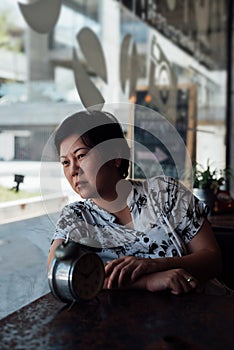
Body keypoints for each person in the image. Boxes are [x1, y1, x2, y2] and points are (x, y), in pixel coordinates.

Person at [48, 109, 222, 295]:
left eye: (81, 156)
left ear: (114, 155)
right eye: (65, 162)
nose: (73, 170)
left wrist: (154, 265)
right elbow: (57, 274)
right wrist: (148, 281)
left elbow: (213, 259)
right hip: (111, 321)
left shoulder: (165, 193)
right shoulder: (75, 217)